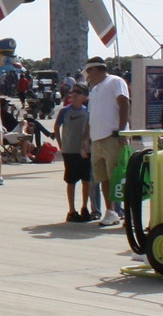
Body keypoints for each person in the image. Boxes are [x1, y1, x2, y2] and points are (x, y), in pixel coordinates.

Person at [84, 58, 130, 229]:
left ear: (96, 69)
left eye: (89, 72)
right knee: (103, 178)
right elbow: (91, 116)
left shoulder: (115, 81)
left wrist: (121, 130)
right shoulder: (94, 90)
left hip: (112, 137)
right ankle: (111, 212)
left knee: (119, 176)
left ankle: (128, 212)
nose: (88, 76)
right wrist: (85, 139)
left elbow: (124, 103)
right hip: (97, 140)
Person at [54, 88, 92, 221]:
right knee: (71, 180)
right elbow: (56, 126)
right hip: (70, 150)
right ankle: (71, 210)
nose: (74, 95)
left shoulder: (87, 111)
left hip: (86, 150)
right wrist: (60, 143)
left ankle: (85, 207)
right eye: (73, 92)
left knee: (86, 180)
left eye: (78, 93)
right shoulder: (65, 110)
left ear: (85, 97)